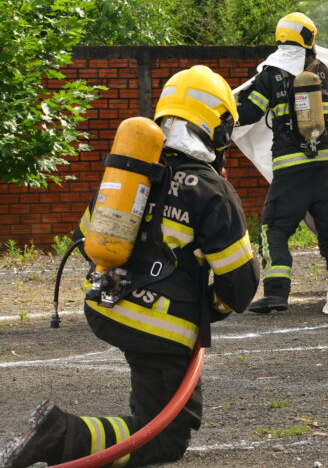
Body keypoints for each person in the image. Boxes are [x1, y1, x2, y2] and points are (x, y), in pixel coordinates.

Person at [0, 65, 258, 468]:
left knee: (154, 422)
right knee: (163, 437)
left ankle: (58, 435)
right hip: (160, 327)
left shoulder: (133, 171)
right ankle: (58, 434)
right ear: (218, 127)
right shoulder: (211, 190)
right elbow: (240, 284)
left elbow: (89, 238)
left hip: (109, 307)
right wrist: (209, 307)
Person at [236, 12, 328, 313]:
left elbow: (250, 114)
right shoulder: (322, 71)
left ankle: (276, 292)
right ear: (309, 38)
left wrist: (221, 112)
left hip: (292, 165)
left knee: (275, 226)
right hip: (327, 163)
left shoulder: (271, 74)